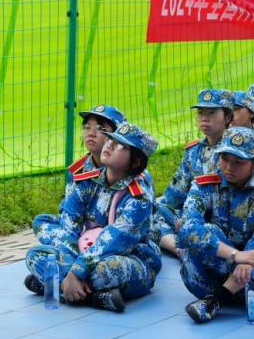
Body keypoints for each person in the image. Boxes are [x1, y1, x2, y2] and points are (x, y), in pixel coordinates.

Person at [26, 121, 162, 312]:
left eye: (120, 145)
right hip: (85, 254)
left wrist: (76, 272)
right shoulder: (85, 182)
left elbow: (113, 240)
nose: (110, 145)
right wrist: (73, 271)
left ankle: (53, 286)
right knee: (35, 255)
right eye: (111, 140)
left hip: (132, 260)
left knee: (106, 270)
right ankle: (93, 297)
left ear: (135, 161)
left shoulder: (139, 198)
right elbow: (68, 229)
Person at [177, 127, 254, 323]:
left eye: (238, 162)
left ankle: (218, 299)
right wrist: (237, 256)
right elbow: (187, 229)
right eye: (224, 159)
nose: (228, 167)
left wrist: (252, 259)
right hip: (211, 276)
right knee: (206, 230)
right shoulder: (204, 184)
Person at [155, 89, 234, 256]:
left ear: (227, 117)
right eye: (200, 113)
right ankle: (178, 248)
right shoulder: (193, 151)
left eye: (211, 113)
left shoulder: (237, 152)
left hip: (225, 221)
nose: (204, 118)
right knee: (151, 210)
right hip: (192, 217)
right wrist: (180, 216)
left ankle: (188, 243)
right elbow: (174, 196)